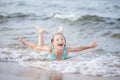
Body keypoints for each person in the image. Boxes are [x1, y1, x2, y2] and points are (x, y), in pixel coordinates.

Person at [19, 26, 97, 60]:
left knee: (59, 35)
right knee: (39, 48)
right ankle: (40, 33)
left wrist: (90, 46)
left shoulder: (66, 50)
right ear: (53, 43)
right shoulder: (50, 49)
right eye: (57, 40)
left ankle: (60, 30)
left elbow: (79, 48)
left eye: (62, 40)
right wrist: (24, 43)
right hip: (47, 55)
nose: (60, 41)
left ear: (65, 42)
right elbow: (36, 46)